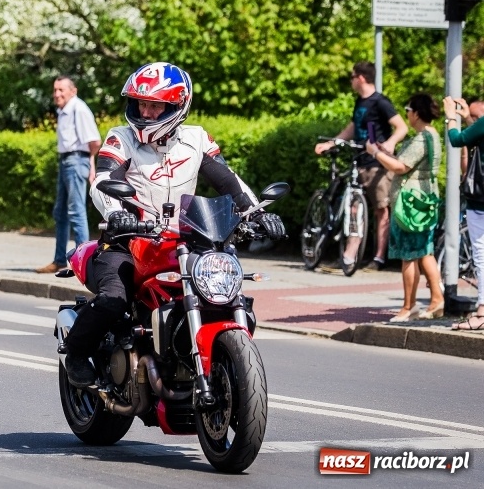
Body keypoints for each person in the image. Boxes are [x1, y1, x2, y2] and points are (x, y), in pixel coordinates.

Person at [63, 62, 286, 388]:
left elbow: (229, 182)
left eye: (155, 105)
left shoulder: (196, 140)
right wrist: (116, 214)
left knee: (225, 291)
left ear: (176, 107)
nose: (146, 112)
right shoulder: (121, 138)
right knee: (115, 297)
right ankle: (77, 354)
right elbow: (102, 182)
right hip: (128, 239)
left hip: (185, 240)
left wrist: (256, 213)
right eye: (142, 103)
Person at [315, 61, 408, 272]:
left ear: (361, 78)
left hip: (378, 164)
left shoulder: (380, 102)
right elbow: (352, 127)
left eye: (352, 76)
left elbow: (401, 126)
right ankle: (350, 255)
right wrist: (333, 142)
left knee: (381, 211)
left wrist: (390, 143)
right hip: (360, 161)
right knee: (354, 208)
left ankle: (378, 258)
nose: (351, 80)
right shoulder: (360, 101)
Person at [366, 94, 443, 322]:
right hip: (423, 202)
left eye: (408, 109)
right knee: (424, 252)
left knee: (409, 255)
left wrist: (376, 153)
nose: (407, 113)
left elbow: (401, 167)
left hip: (411, 205)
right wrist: (385, 152)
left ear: (417, 113)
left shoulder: (421, 138)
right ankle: (437, 300)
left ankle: (409, 307)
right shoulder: (432, 135)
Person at [35, 76, 102, 274]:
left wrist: (89, 163)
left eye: (61, 90)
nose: (57, 94)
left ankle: (85, 262)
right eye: (55, 90)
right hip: (66, 160)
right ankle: (60, 259)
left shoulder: (78, 108)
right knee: (61, 213)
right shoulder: (64, 110)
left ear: (73, 91)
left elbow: (95, 141)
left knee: (76, 211)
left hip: (75, 160)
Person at [443, 95, 484, 330]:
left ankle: (481, 314)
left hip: (481, 200)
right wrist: (469, 117)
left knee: (481, 254)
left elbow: (458, 140)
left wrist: (451, 118)